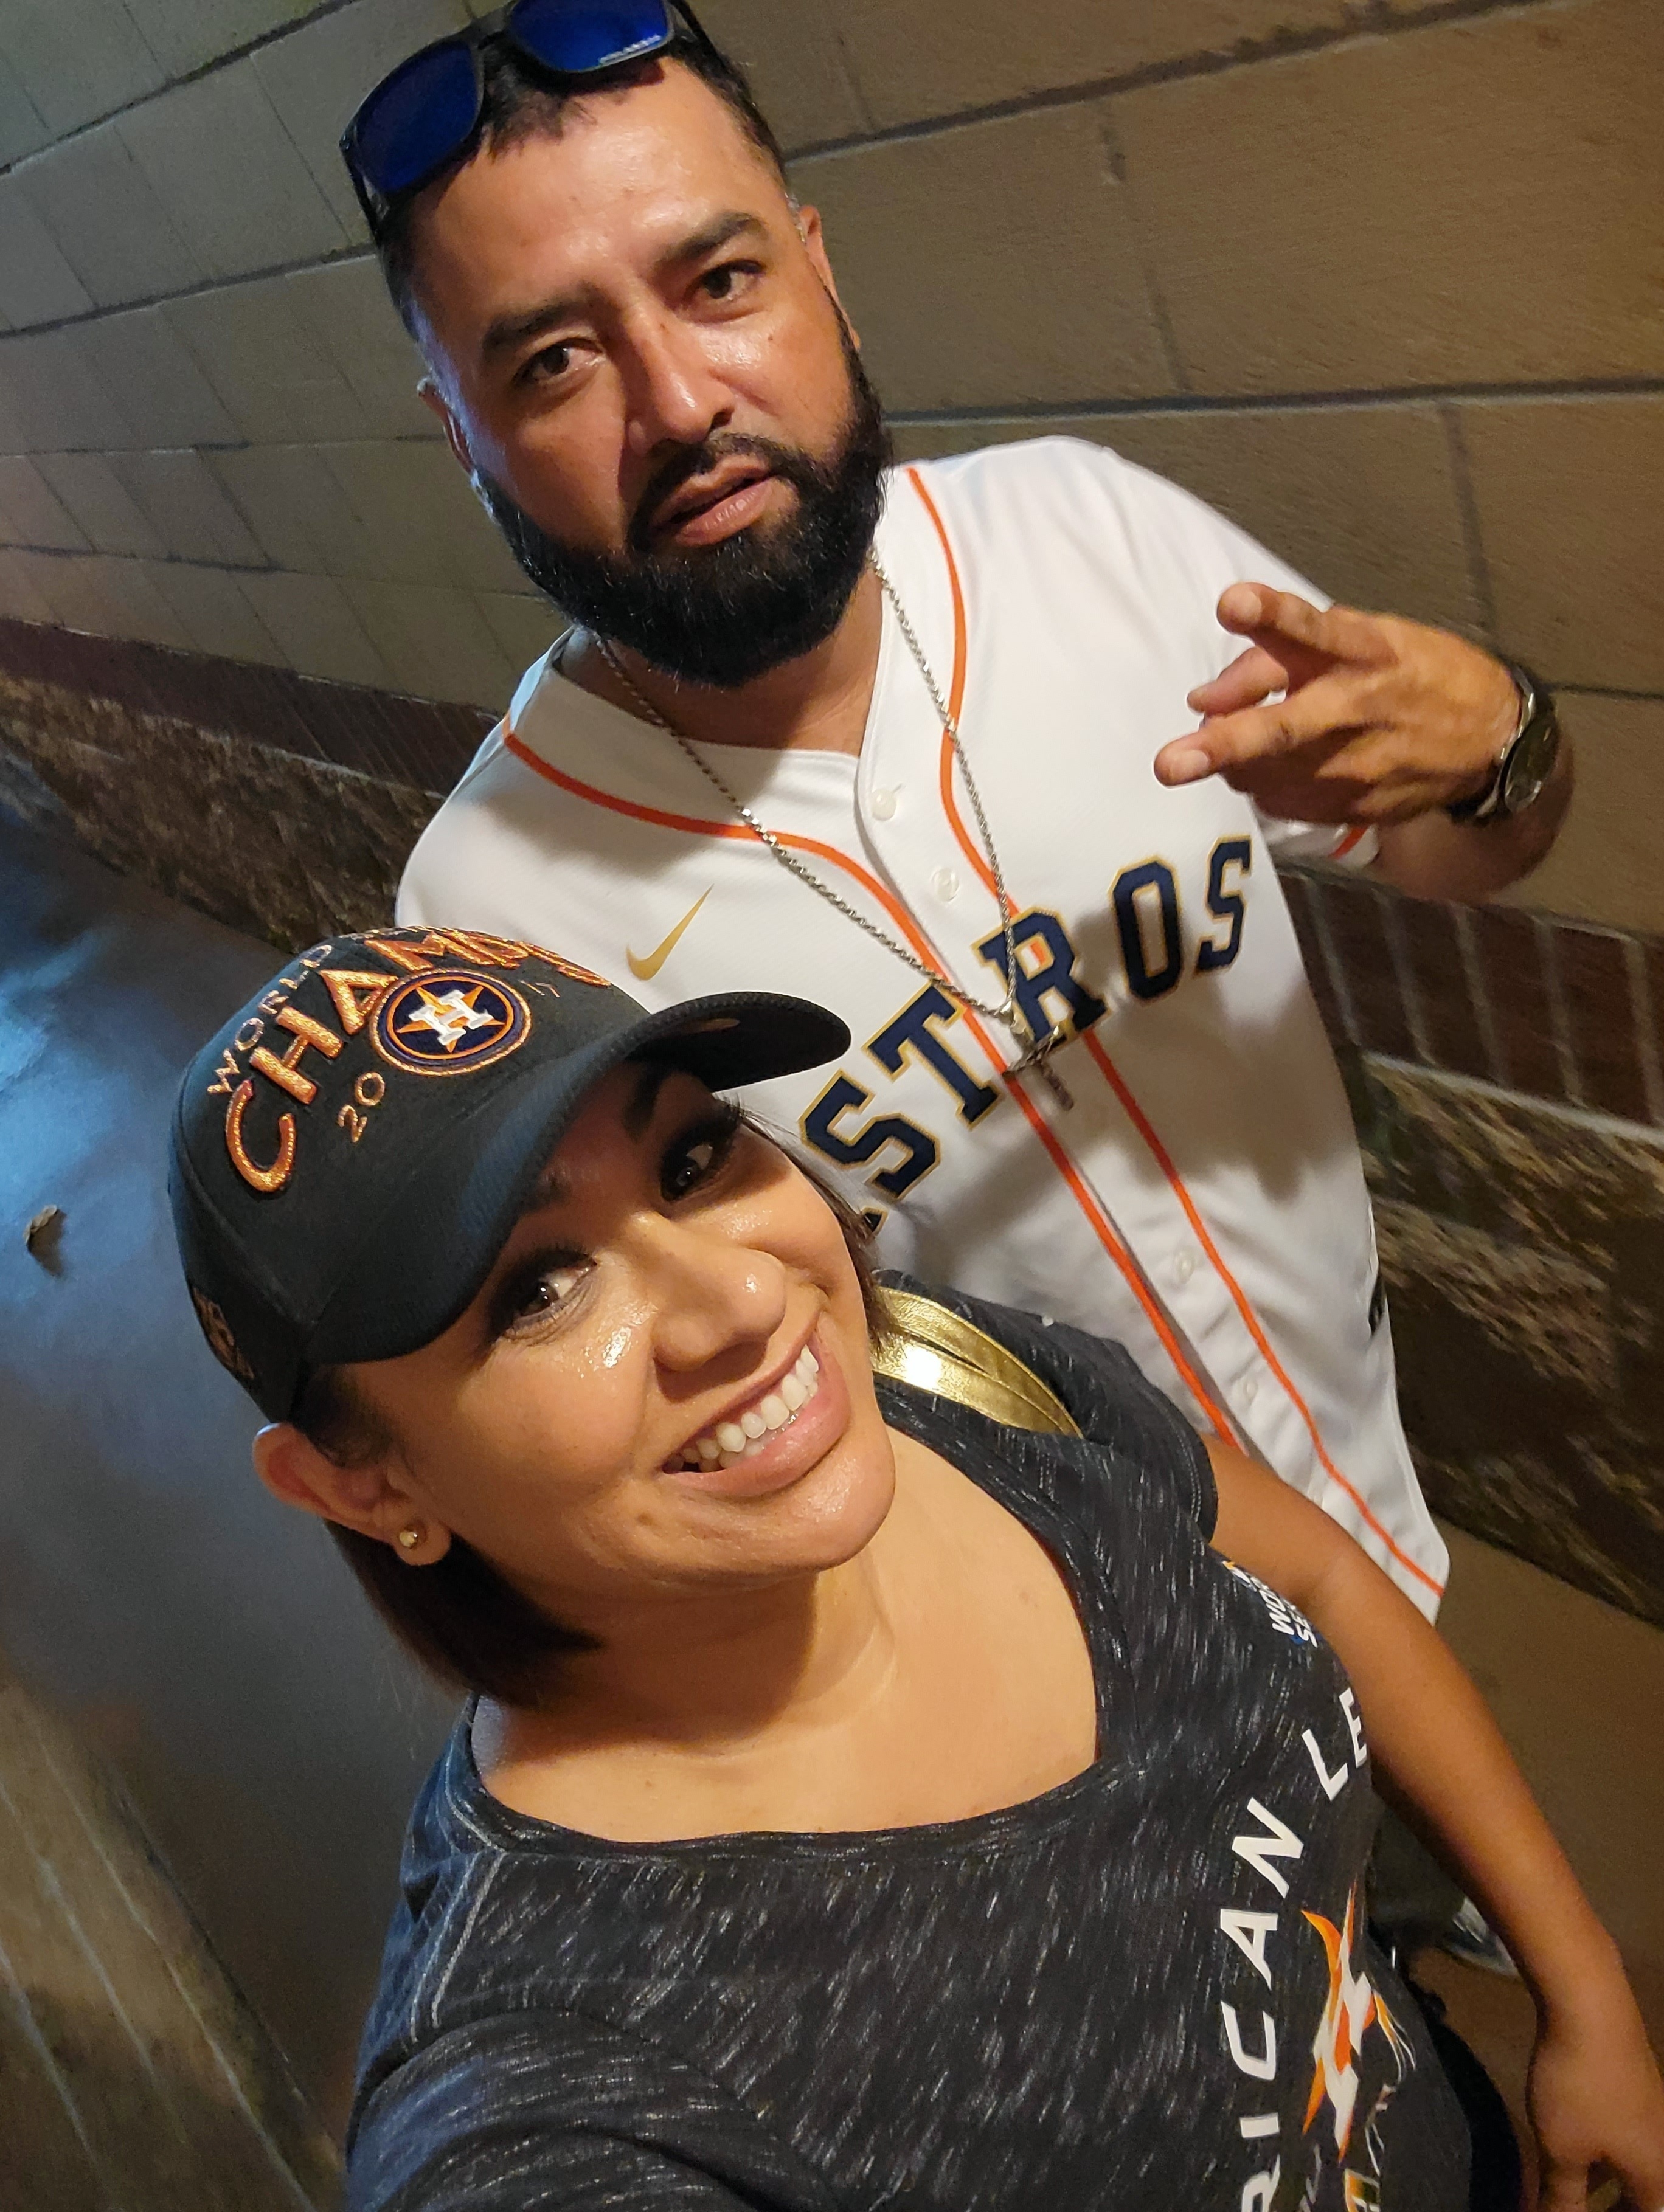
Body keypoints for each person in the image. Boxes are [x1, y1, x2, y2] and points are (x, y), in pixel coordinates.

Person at [344, 5, 1573, 1619]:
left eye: (721, 282)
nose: (680, 399)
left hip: (1388, 1513)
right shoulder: (497, 912)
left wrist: (1504, 744)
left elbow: (1456, 850)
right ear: (461, 434)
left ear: (819, 269)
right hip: (1060, 1665)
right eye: (553, 360)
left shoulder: (1088, 531)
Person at [170, 927, 1663, 2210]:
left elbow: (1321, 1579)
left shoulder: (947, 1383)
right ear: (364, 1484)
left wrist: (1584, 1991)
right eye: (539, 1286)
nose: (746, 1297)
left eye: (692, 1157)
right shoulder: (573, 2094)